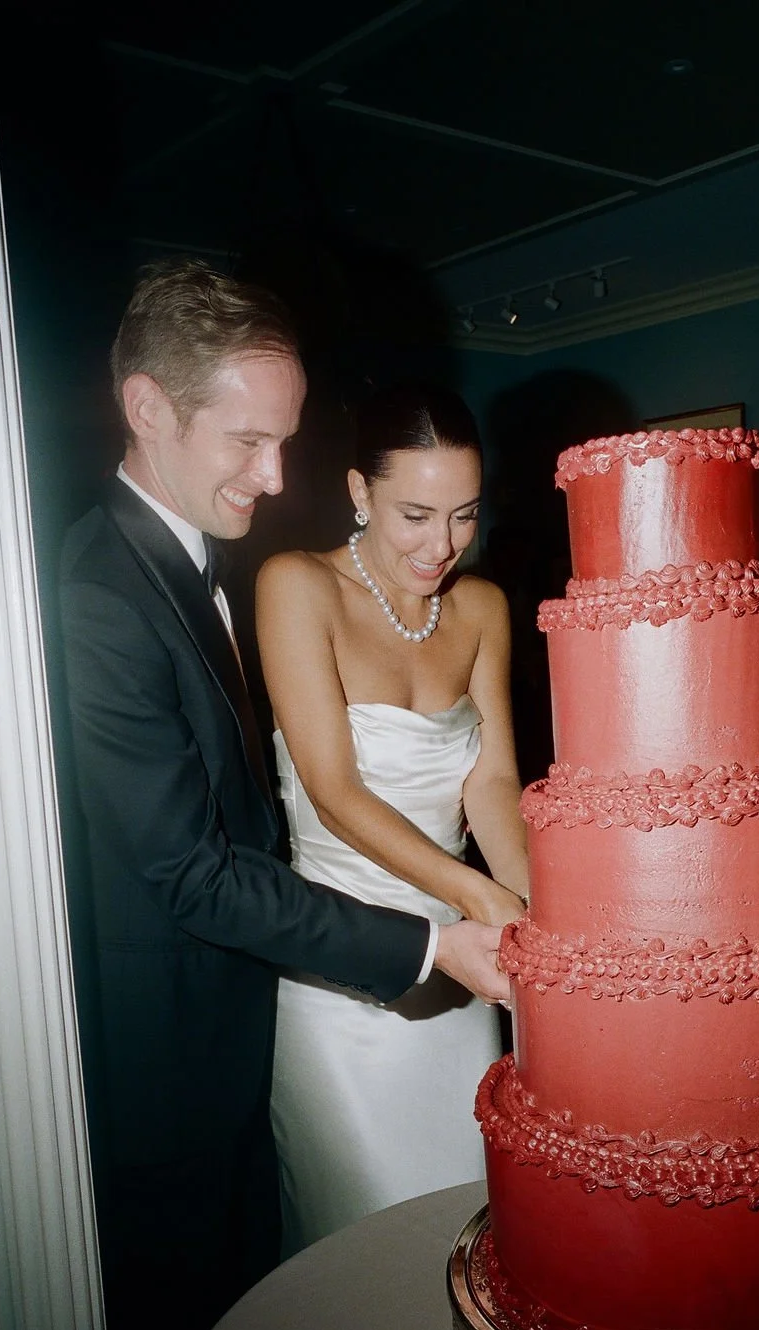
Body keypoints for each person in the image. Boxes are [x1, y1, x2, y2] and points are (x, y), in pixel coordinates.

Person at [58, 263, 509, 1330]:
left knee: (297, 1322)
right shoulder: (100, 592)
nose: (273, 474)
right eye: (247, 440)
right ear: (147, 407)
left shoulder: (193, 562)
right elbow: (189, 869)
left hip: (248, 1025)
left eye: (286, 440)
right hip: (165, 1071)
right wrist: (437, 938)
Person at [255, 382, 529, 1251]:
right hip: (344, 975)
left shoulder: (481, 606)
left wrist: (527, 913)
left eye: (463, 515)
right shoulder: (297, 585)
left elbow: (494, 780)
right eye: (415, 513)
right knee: (367, 1244)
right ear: (358, 492)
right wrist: (483, 898)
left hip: (464, 977)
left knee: (473, 1227)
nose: (440, 545)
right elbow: (334, 791)